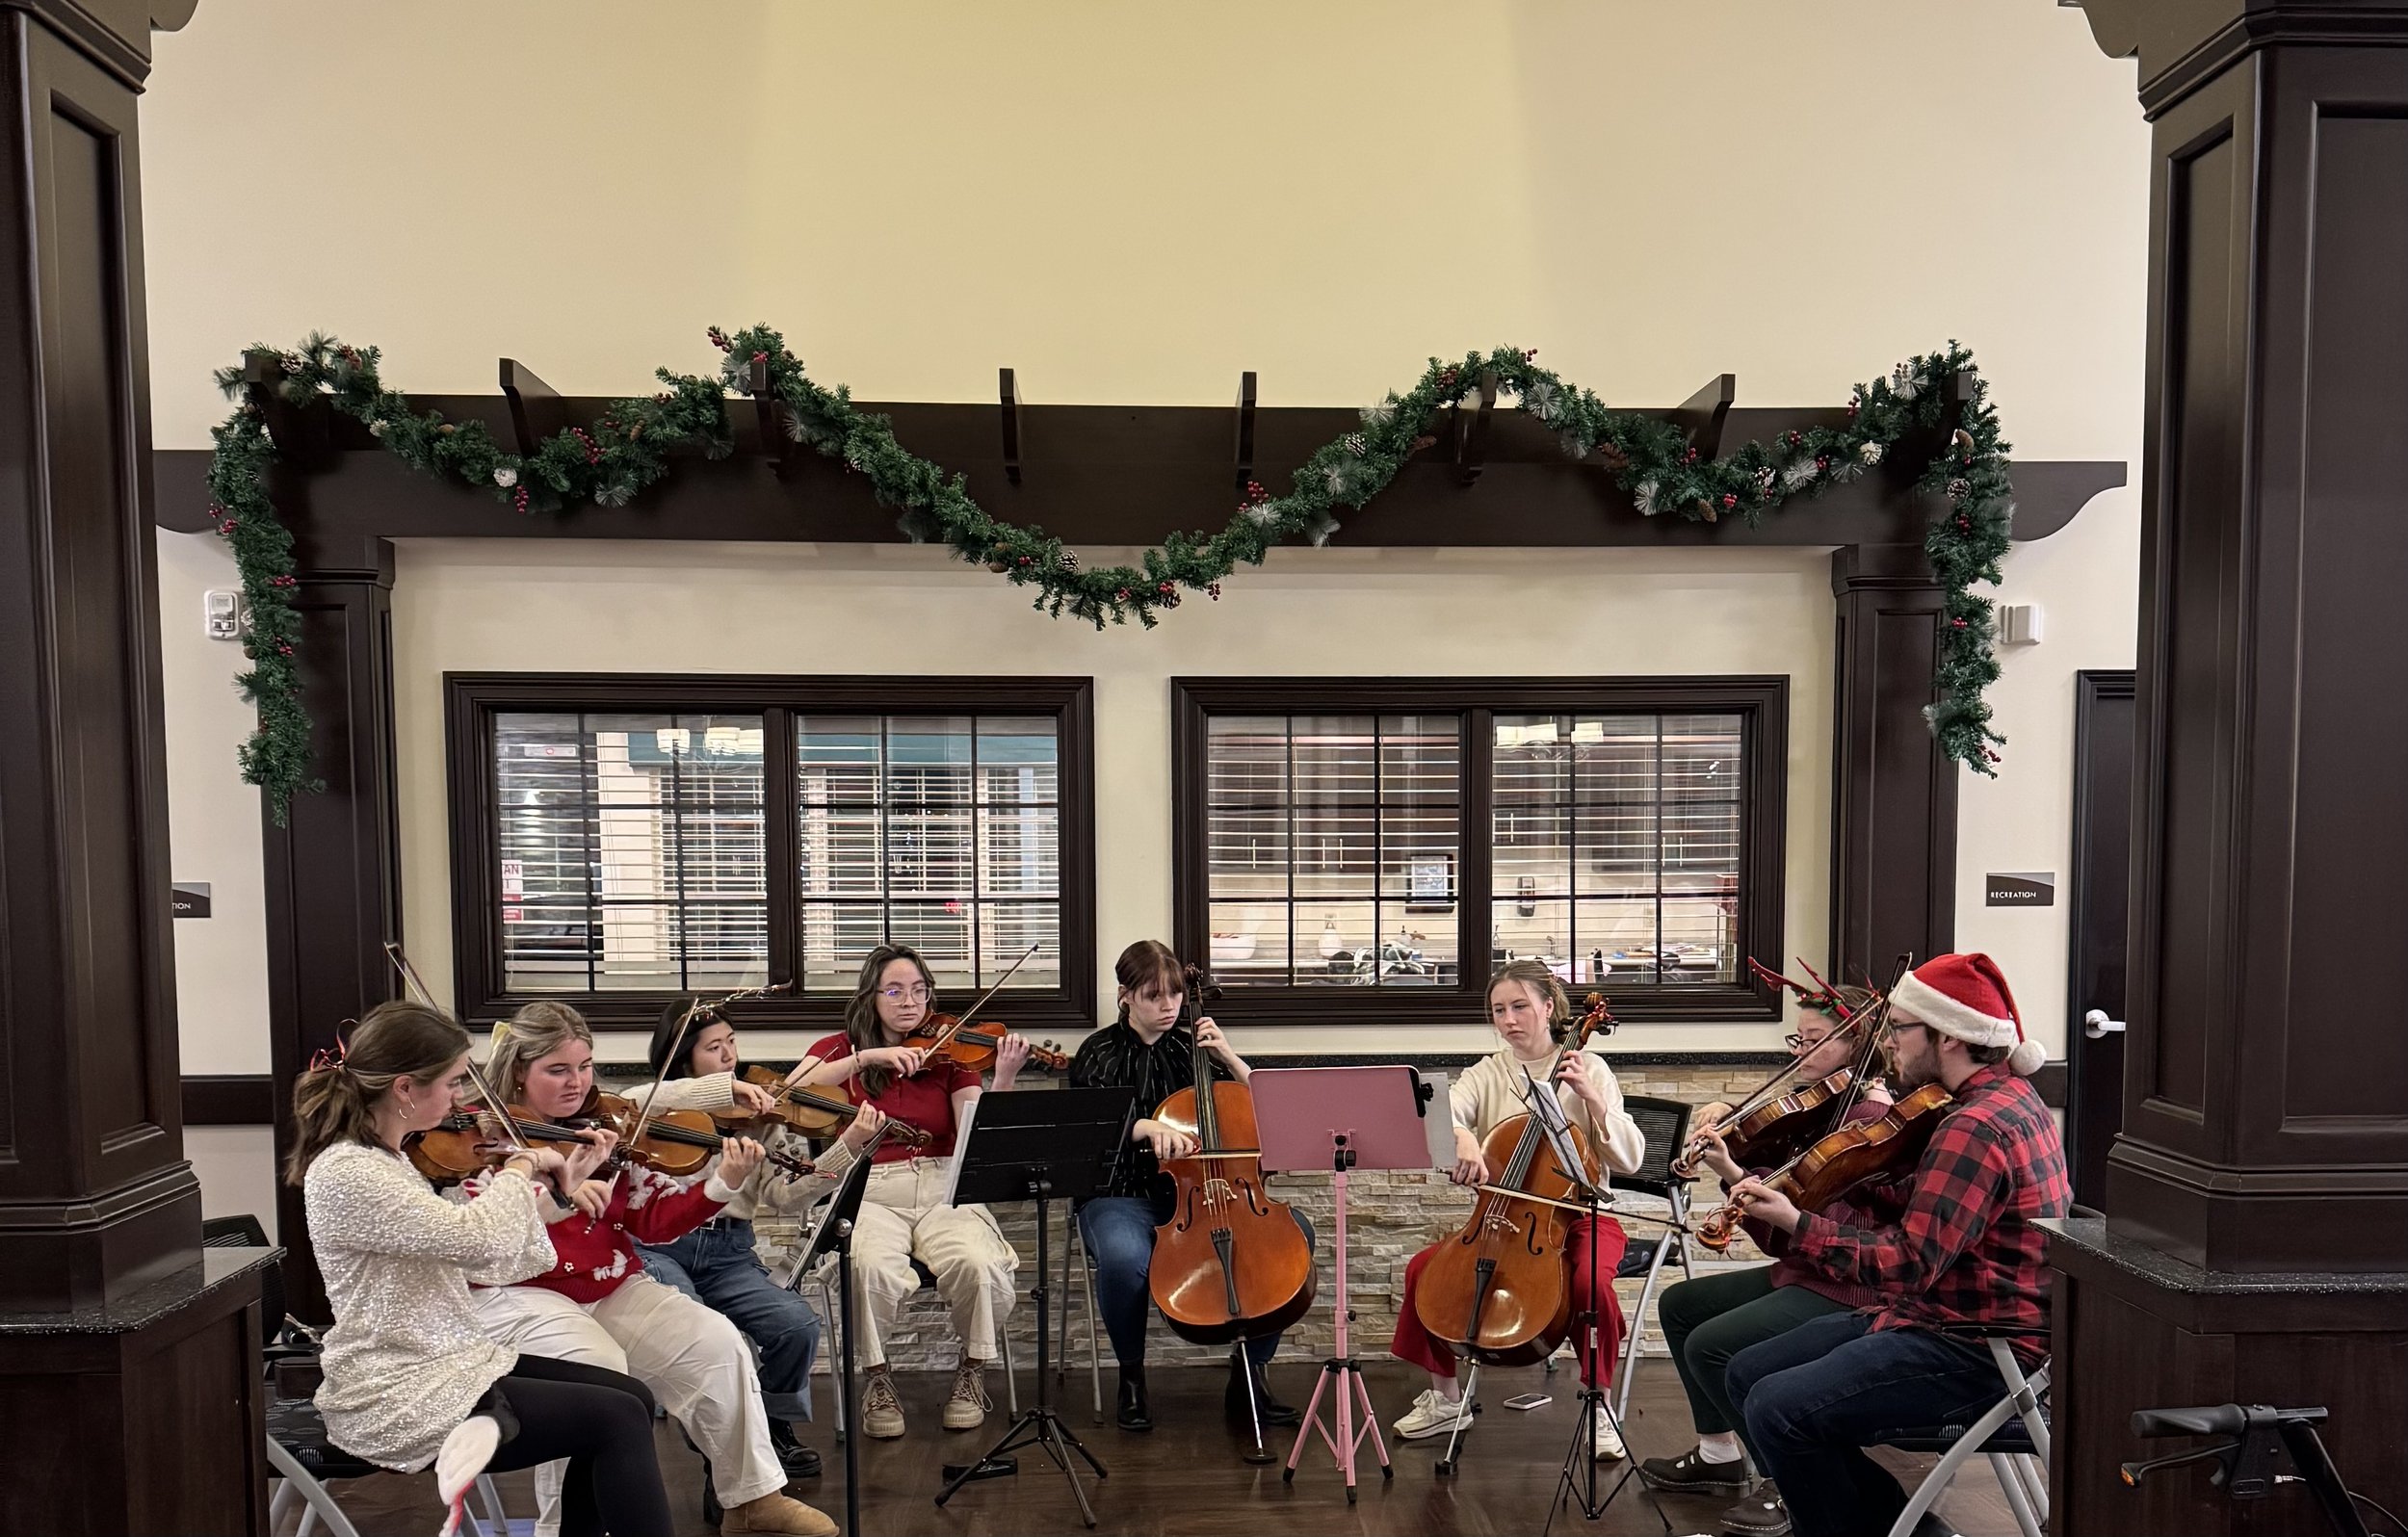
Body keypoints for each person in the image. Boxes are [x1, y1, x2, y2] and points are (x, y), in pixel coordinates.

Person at [291, 999, 674, 1537]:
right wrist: (519, 1169)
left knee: (632, 1397)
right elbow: (476, 1240)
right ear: (405, 1088)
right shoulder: (349, 1172)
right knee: (617, 1419)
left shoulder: (388, 1158)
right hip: (396, 1387)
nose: (459, 1097)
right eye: (451, 1082)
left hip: (448, 1357)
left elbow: (487, 1251)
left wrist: (560, 1192)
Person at [1722, 953, 2071, 1537]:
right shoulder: (2007, 1099)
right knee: (1745, 1373)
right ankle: (1897, 1527)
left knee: (1776, 1409)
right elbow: (1929, 1210)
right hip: (1941, 1319)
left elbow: (1909, 1264)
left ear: (1949, 1038)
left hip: (1978, 1348)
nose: (1891, 1044)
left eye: (1902, 1029)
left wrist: (1794, 1221)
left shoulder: (1974, 1127)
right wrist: (1852, 1173)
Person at [460, 1001, 836, 1537]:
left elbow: (654, 1221)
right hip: (520, 1295)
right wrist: (556, 1183)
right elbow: (487, 1244)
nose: (577, 1082)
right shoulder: (484, 1143)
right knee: (597, 1375)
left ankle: (752, 1501)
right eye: (558, 1070)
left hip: (609, 1282)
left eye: (585, 1066)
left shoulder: (603, 1130)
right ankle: (560, 1527)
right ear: (519, 1070)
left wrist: (723, 1183)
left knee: (717, 1344)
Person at [1636, 987, 1893, 1535]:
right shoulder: (1824, 1112)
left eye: (1816, 1042)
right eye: (1797, 1039)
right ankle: (1719, 1455)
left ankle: (1784, 1479)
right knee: (1682, 1304)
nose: (1800, 1055)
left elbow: (1802, 1231)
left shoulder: (1867, 1121)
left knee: (1713, 1344)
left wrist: (1735, 1174)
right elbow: (1784, 1233)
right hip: (1807, 1268)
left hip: (1846, 1283)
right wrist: (1732, 1159)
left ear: (1858, 1045)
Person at [1387, 960, 1648, 1458]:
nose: (1509, 1019)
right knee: (1426, 1269)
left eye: (1520, 1007)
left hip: (1580, 1218)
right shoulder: (1488, 1071)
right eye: (1499, 1010)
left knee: (1590, 1286)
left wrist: (1591, 1098)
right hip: (1503, 1217)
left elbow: (1631, 1157)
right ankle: (1446, 1399)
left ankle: (1601, 1406)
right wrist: (1462, 1139)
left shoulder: (1590, 1068)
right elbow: (1442, 1112)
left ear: (1549, 1008)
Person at [1066, 940, 1315, 1433]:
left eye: (1175, 996)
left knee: (1294, 1236)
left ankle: (1249, 1377)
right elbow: (1083, 1131)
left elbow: (1271, 1112)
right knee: (1121, 1256)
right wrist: (1143, 1127)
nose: (1168, 1007)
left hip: (1210, 1194)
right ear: (1125, 996)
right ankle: (1132, 1377)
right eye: (1154, 996)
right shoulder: (1096, 1052)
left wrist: (1229, 1055)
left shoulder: (1193, 1049)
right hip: (1122, 1195)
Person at [791, 944, 1027, 1440]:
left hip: (944, 1184)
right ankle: (877, 1379)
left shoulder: (951, 1052)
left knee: (977, 1264)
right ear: (870, 997)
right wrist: (869, 1057)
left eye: (919, 991)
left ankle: (972, 1370)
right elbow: (789, 1094)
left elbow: (976, 1135)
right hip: (869, 1186)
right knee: (868, 1268)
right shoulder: (840, 1048)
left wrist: (1002, 1077)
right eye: (895, 991)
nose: (909, 1002)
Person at [623, 998, 858, 1482]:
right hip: (660, 1247)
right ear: (684, 1055)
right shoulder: (657, 1104)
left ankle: (773, 1428)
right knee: (699, 1332)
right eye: (714, 1047)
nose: (730, 1055)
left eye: (731, 1042)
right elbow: (633, 1098)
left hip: (729, 1252)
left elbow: (785, 1197)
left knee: (796, 1326)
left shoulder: (764, 1117)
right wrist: (719, 1091)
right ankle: (721, 1447)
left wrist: (845, 1151)